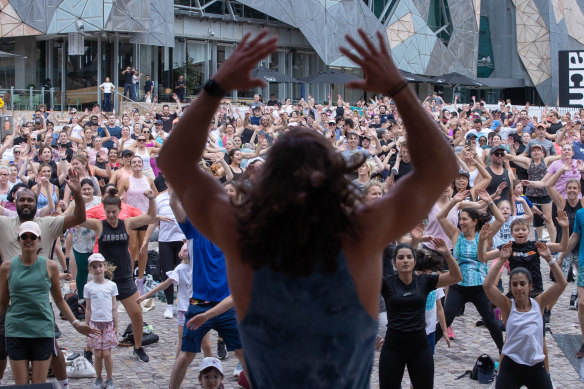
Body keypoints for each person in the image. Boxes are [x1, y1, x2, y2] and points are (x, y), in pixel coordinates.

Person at [157, 29, 458, 387]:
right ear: (333, 177)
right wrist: (398, 90)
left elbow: (173, 162)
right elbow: (442, 167)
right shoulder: (360, 232)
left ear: (269, 180)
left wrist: (216, 88)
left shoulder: (245, 235)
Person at [0, 221, 96, 385]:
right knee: (21, 385)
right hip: (16, 330)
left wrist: (75, 323)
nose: (28, 240)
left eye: (32, 237)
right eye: (24, 236)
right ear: (19, 240)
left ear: (39, 240)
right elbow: (2, 303)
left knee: (38, 383)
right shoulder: (7, 267)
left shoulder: (50, 267)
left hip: (42, 330)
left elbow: (59, 300)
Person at [79, 186, 156, 363]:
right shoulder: (99, 225)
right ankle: (89, 349)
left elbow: (151, 217)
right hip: (103, 278)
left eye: (114, 212)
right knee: (95, 317)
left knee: (136, 314)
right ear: (104, 211)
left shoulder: (126, 223)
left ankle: (138, 347)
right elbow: (79, 219)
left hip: (124, 277)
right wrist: (79, 200)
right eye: (108, 212)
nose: (111, 215)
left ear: (120, 210)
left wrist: (152, 199)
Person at [483, 242, 566, 389]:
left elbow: (562, 284)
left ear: (530, 285)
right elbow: (487, 285)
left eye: (522, 284)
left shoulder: (539, 303)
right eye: (514, 284)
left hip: (535, 367)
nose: (519, 288)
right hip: (511, 366)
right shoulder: (507, 306)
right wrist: (502, 259)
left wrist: (549, 258)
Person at [379, 239, 461, 388]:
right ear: (394, 262)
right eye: (401, 257)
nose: (405, 261)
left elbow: (456, 277)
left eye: (409, 257)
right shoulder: (386, 282)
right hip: (393, 347)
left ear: (415, 261)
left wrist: (448, 255)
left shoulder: (425, 281)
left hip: (419, 347)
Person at [434, 189, 506, 352]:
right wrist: (453, 202)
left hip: (480, 288)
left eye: (464, 219)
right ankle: (428, 348)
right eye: (460, 219)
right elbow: (440, 217)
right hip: (458, 287)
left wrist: (490, 202)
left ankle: (504, 352)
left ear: (475, 221)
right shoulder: (455, 234)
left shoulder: (484, 235)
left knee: (491, 322)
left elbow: (500, 219)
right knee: (447, 318)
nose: (461, 222)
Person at [117, 155, 158, 294]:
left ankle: (140, 279)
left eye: (139, 162)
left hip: (145, 217)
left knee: (143, 248)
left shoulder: (149, 179)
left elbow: (156, 196)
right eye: (134, 162)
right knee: (132, 248)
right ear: (131, 164)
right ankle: (131, 277)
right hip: (131, 217)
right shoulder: (126, 181)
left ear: (142, 164)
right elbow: (116, 197)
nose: (136, 164)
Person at [84, 253, 118, 389]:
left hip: (108, 323)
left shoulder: (111, 285)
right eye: (94, 267)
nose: (97, 269)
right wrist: (86, 325)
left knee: (107, 354)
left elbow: (114, 307)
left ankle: (110, 378)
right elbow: (88, 308)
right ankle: (98, 378)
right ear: (90, 269)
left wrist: (116, 324)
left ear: (105, 267)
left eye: (100, 266)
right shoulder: (88, 287)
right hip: (94, 324)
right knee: (97, 354)